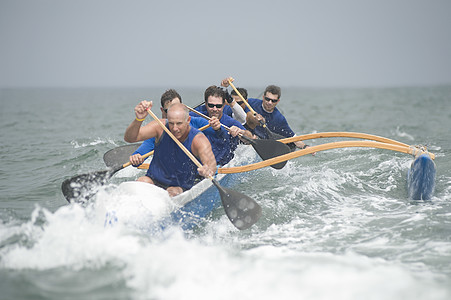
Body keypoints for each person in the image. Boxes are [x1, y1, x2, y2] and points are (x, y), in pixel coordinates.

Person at [124, 102, 217, 197]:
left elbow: (211, 165)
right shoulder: (160, 127)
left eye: (179, 123)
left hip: (179, 187)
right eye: (171, 123)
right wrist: (139, 119)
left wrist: (207, 170)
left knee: (172, 191)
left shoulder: (198, 140)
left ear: (188, 120)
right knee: (142, 181)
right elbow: (130, 138)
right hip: (154, 180)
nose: (175, 128)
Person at [129, 89, 210, 166]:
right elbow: (139, 156)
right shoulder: (158, 131)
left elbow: (221, 133)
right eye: (170, 111)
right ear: (162, 111)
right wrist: (136, 158)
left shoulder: (197, 122)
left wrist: (217, 128)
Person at [192, 85, 253, 166]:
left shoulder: (230, 122)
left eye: (218, 106)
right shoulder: (197, 116)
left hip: (223, 166)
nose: (214, 109)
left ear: (224, 105)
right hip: (201, 166)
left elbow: (250, 138)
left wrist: (241, 131)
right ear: (206, 104)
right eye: (211, 105)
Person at [246, 85, 308, 150]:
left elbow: (294, 139)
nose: (270, 103)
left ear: (278, 101)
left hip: (261, 143)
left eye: (273, 101)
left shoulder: (279, 119)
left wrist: (305, 146)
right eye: (267, 99)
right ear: (263, 97)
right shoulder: (250, 103)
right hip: (245, 135)